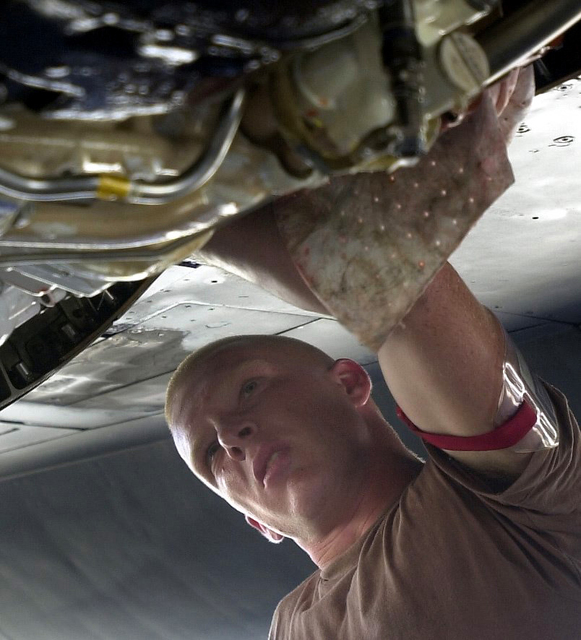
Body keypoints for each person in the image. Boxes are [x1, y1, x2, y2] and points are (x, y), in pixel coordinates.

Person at [164, 68, 581, 639]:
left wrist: (170, 218)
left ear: (350, 383)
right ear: (257, 523)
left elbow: (397, 295)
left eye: (250, 388)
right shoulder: (292, 625)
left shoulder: (510, 495)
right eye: (211, 454)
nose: (232, 438)